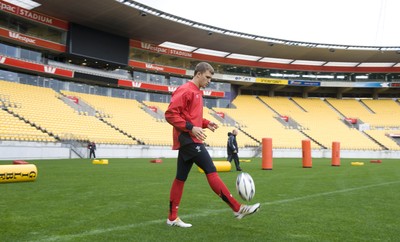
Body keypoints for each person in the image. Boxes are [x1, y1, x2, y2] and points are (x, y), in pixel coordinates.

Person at [164, 62, 260, 228]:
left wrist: (206, 123)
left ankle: (172, 218)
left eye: (211, 78)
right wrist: (191, 128)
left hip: (190, 138)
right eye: (207, 77)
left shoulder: (197, 92)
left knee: (180, 178)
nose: (209, 80)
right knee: (210, 170)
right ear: (198, 74)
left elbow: (191, 117)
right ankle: (237, 208)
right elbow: (170, 114)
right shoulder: (186, 89)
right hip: (188, 139)